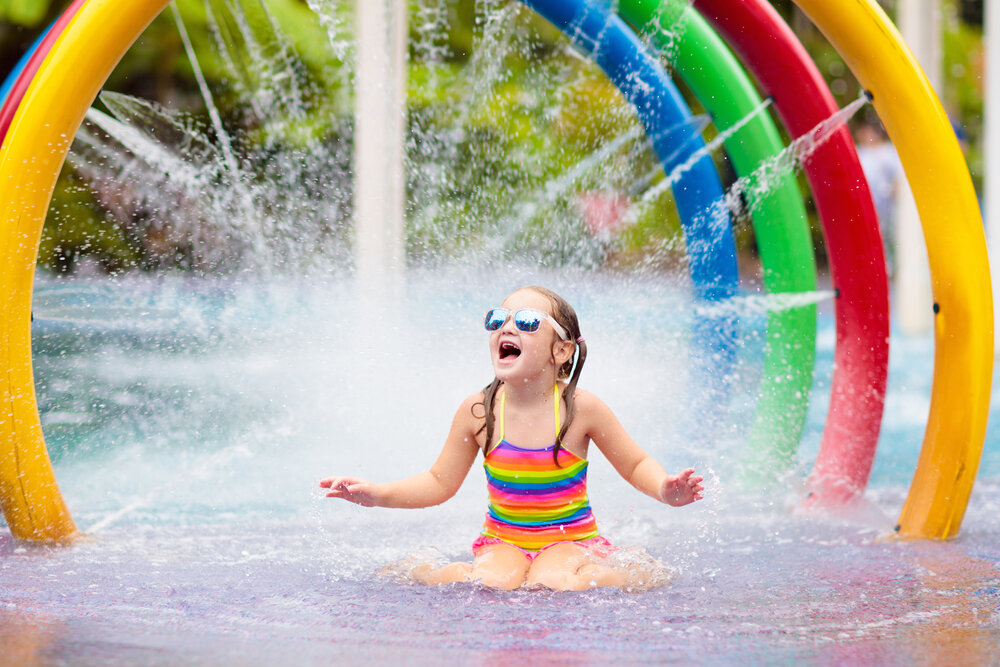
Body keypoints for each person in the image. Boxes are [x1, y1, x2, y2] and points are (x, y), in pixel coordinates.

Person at [319, 286, 704, 591]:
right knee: (488, 583)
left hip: (570, 541)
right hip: (502, 541)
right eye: (498, 318)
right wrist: (378, 495)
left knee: (552, 583)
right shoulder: (479, 412)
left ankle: (633, 574)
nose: (508, 326)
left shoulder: (580, 408)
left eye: (527, 321)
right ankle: (424, 572)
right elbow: (439, 482)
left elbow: (635, 463)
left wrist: (664, 489)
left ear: (561, 350)